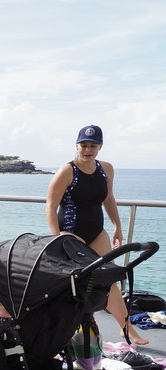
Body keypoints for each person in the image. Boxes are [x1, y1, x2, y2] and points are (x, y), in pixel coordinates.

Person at [45, 125, 148, 345]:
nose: (88, 149)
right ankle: (62, 330)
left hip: (96, 232)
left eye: (93, 145)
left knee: (109, 279)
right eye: (84, 145)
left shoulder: (106, 169)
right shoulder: (67, 171)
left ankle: (126, 327)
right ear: (77, 145)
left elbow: (109, 199)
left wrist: (117, 226)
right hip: (71, 235)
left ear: (100, 146)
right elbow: (50, 206)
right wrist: (59, 237)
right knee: (70, 285)